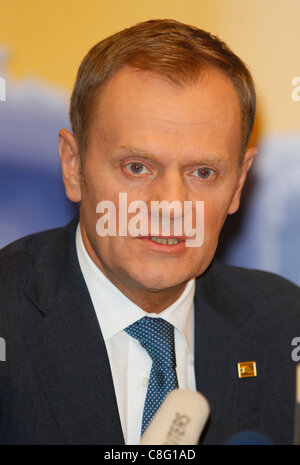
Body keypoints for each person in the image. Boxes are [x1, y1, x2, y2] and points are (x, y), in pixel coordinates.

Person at [0, 19, 300, 446]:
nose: (171, 206)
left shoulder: (286, 324)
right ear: (73, 166)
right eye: (137, 167)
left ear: (238, 184)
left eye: (203, 172)